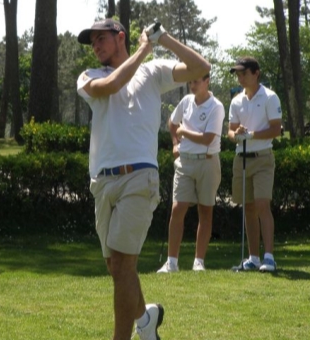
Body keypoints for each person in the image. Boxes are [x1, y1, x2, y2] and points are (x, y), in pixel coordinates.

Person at [76, 18, 210, 340]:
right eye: (92, 42)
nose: (95, 46)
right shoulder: (90, 76)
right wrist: (143, 50)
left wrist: (163, 39)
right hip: (103, 182)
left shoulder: (153, 72)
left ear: (119, 36)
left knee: (123, 265)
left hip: (139, 177)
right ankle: (146, 320)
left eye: (101, 39)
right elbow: (111, 87)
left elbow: (200, 66)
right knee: (117, 268)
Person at [157, 73, 225, 273]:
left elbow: (207, 139)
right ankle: (172, 262)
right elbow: (172, 122)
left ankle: (199, 261)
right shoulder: (186, 101)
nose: (192, 85)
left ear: (207, 81)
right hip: (185, 163)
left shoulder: (217, 106)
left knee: (205, 211)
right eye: (190, 82)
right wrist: (175, 143)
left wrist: (184, 132)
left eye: (196, 81)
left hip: (208, 162)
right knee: (178, 209)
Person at [227, 57, 282, 272]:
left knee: (262, 205)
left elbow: (276, 129)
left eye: (244, 73)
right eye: (238, 74)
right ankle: (253, 257)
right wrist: (237, 134)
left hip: (262, 158)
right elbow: (230, 132)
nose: (240, 78)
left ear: (256, 73)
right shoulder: (236, 100)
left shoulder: (269, 97)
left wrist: (251, 134)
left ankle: (269, 257)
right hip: (241, 158)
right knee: (248, 208)